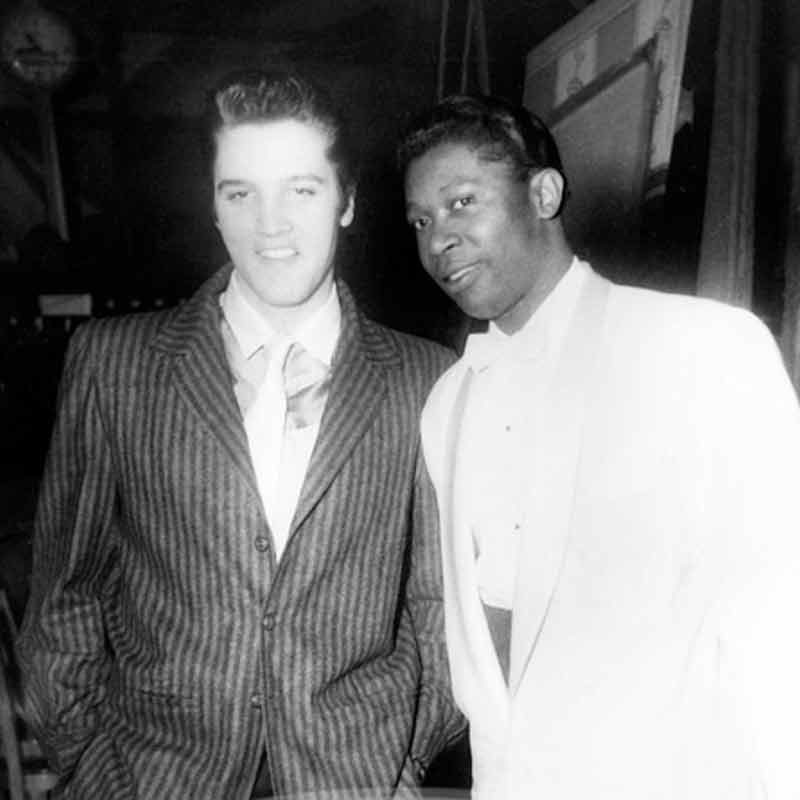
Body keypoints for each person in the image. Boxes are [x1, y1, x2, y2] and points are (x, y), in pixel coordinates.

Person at [18, 70, 464, 799]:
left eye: (301, 189)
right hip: (149, 778)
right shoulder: (114, 363)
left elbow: (437, 604)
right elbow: (65, 589)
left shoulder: (424, 379)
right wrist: (85, 756)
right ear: (213, 207)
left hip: (353, 781)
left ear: (347, 201)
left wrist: (402, 757)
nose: (271, 224)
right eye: (240, 193)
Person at [398, 93, 800, 799]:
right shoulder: (446, 404)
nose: (439, 240)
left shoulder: (703, 348)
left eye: (462, 203)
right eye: (422, 221)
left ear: (544, 192)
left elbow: (779, 617)